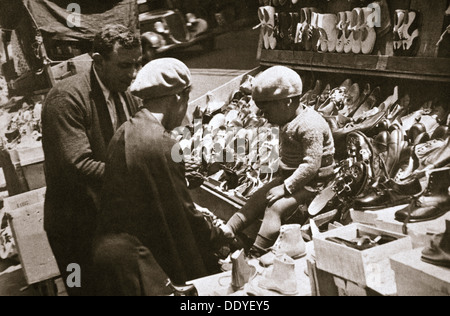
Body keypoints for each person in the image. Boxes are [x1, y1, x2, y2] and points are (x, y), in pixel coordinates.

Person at [92, 58, 223, 296]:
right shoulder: (165, 145)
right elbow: (182, 215)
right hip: (142, 264)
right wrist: (218, 234)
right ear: (177, 98)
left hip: (113, 258)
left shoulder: (123, 132)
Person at [41, 24, 142, 296]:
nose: (133, 74)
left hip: (110, 221)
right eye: (124, 65)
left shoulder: (127, 94)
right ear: (98, 61)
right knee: (85, 290)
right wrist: (140, 174)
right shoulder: (66, 98)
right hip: (74, 228)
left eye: (137, 64)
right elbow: (79, 165)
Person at [220, 66, 336, 257]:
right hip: (291, 176)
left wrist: (285, 188)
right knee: (258, 197)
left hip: (315, 183)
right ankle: (229, 229)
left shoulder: (309, 125)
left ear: (287, 102)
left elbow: (311, 165)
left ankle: (257, 251)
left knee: (275, 207)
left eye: (267, 110)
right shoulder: (287, 118)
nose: (263, 116)